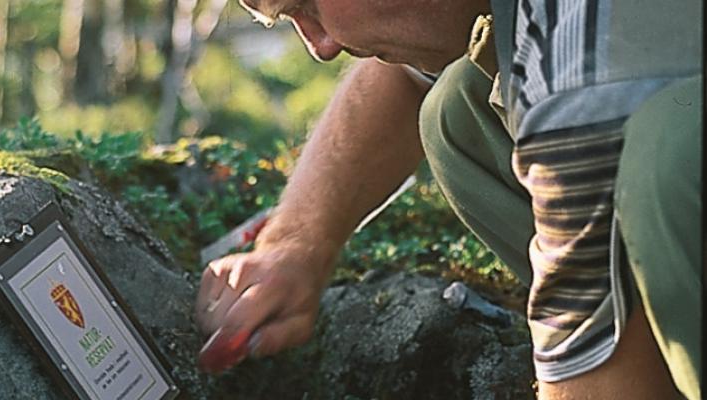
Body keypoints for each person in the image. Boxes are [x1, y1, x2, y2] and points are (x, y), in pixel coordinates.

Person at [194, 0, 702, 398]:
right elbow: (405, 76)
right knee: (459, 107)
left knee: (671, 159)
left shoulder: (576, 54)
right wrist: (296, 246)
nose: (320, 46)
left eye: (307, 4)